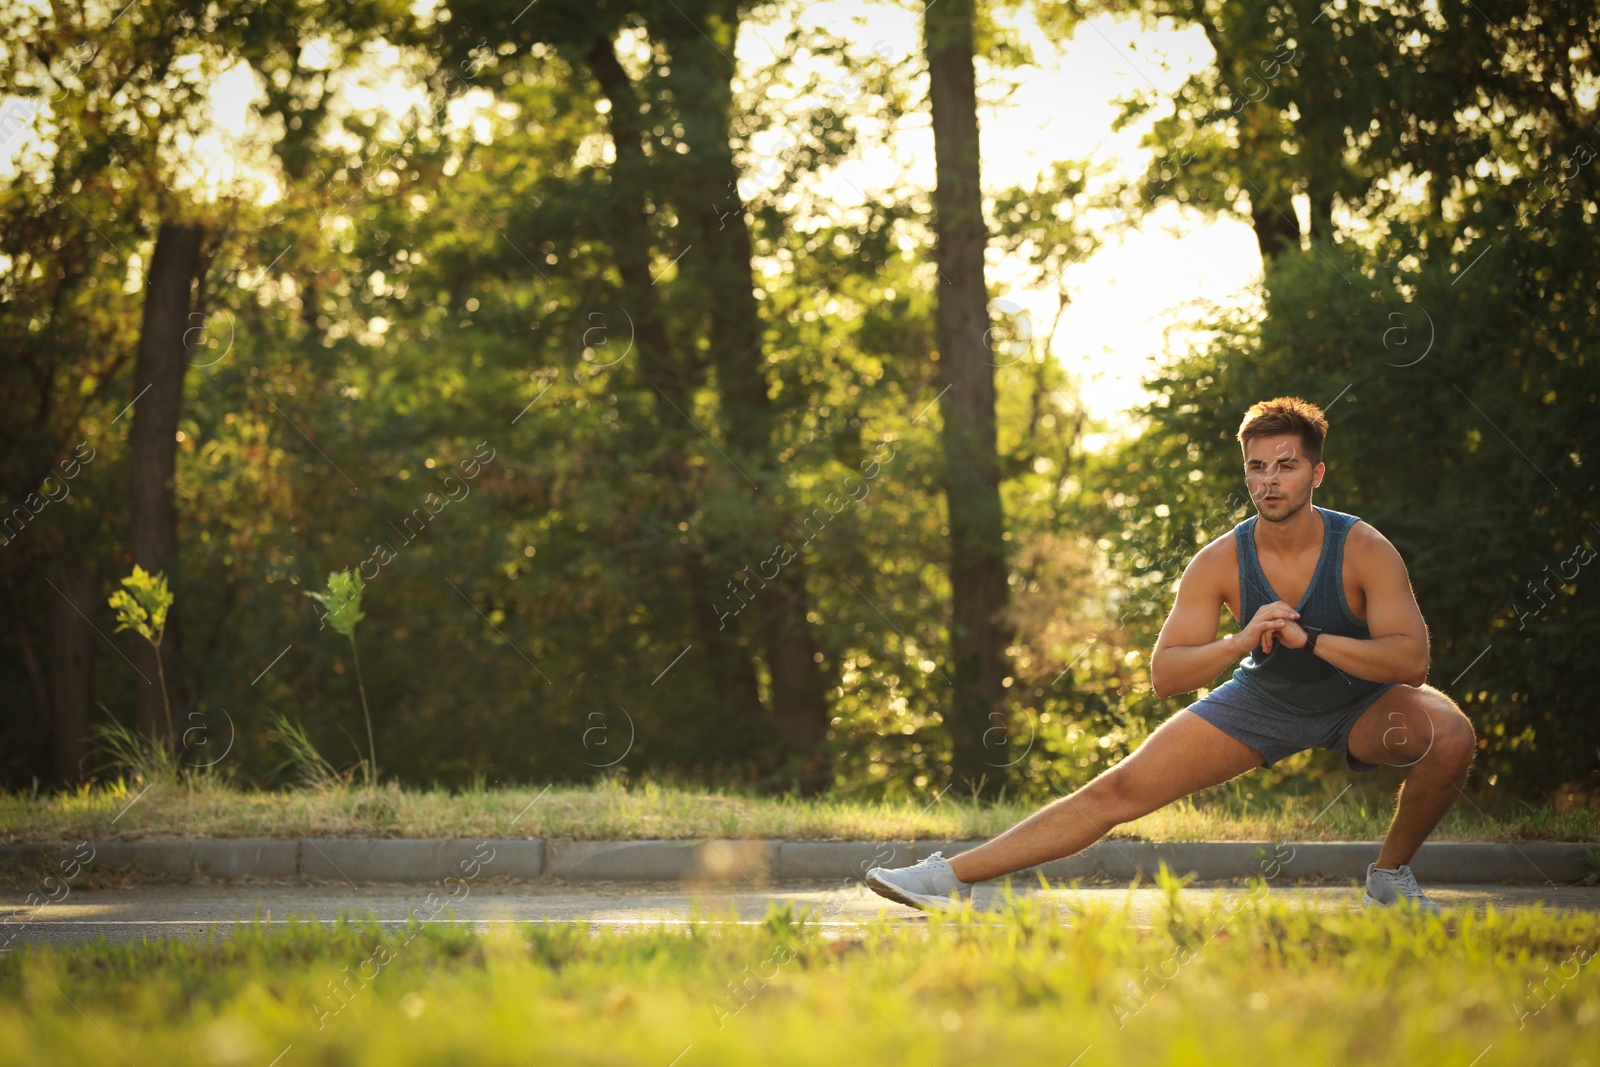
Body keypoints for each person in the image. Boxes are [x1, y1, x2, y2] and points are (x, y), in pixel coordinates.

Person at [866, 396, 1476, 915]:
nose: (1270, 480)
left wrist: (1311, 639)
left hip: (1360, 703)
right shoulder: (1219, 561)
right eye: (1257, 467)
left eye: (1286, 466)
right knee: (1117, 791)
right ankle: (950, 876)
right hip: (1262, 700)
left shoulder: (1363, 548)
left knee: (1449, 734)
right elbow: (1166, 675)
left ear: (1316, 474)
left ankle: (1387, 878)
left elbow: (1410, 661)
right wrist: (1241, 641)